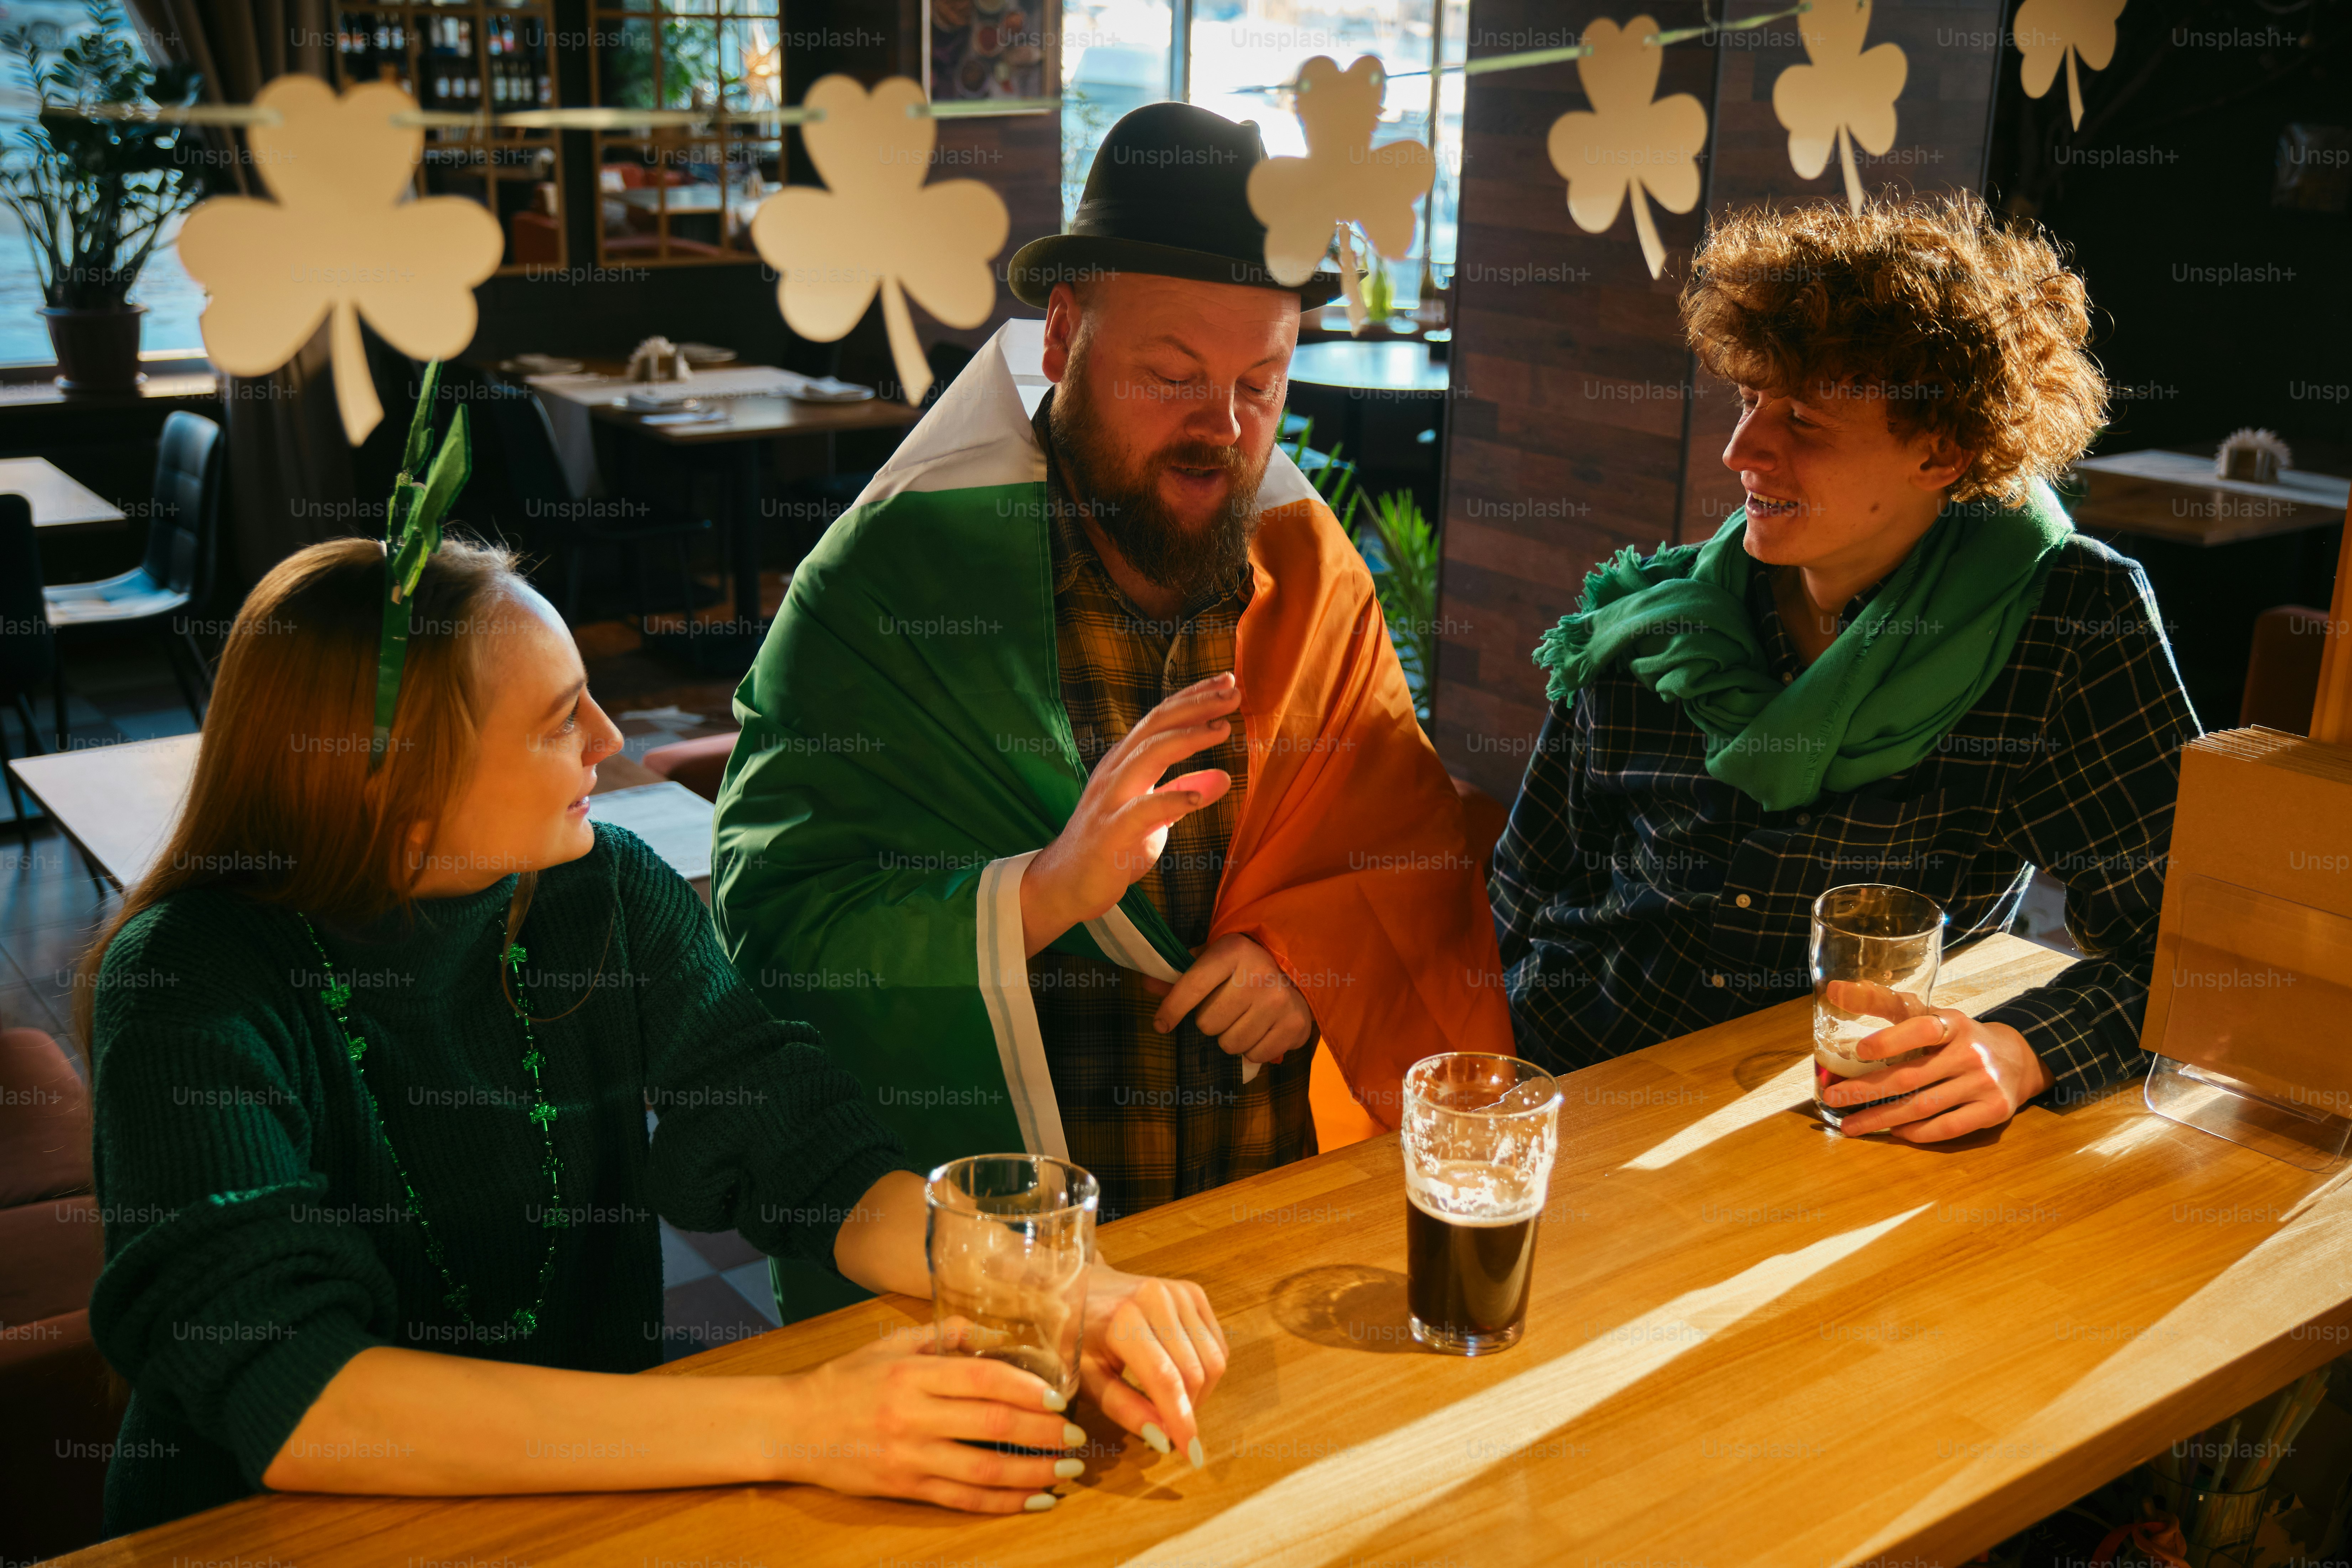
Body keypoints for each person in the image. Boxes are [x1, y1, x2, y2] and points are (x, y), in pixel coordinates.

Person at [79, 531, 1225, 1539]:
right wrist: (801, 1419)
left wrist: (1043, 1286)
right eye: (553, 720)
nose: (607, 734)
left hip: (582, 1504)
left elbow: (796, 1144)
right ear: (392, 786)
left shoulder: (607, 892)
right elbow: (296, 1398)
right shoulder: (186, 980)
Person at [712, 101, 1511, 1225]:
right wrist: (1033, 898)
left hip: (1263, 1218)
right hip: (1005, 1259)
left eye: (1260, 381)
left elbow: (1413, 846)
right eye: (1171, 373)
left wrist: (1312, 960)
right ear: (1061, 334)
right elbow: (774, 916)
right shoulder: (892, 581)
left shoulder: (1310, 567)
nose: (1222, 429)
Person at [1492, 193, 2197, 1140]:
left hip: (1838, 1125)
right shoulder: (1663, 622)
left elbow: (2185, 952)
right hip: (1573, 1092)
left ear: (1942, 452)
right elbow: (1521, 891)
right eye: (1748, 400)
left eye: (1807, 421)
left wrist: (2024, 1050)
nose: (1742, 451)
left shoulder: (2063, 623)